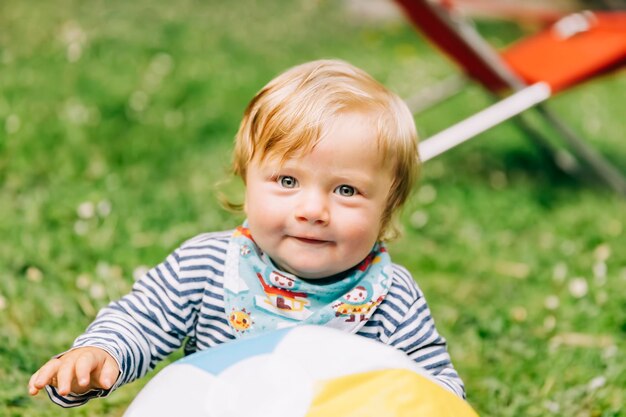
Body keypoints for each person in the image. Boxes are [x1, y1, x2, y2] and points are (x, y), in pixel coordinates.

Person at [28, 59, 466, 407]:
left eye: (346, 190)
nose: (313, 210)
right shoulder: (207, 266)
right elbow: (141, 320)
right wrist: (98, 356)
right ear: (246, 181)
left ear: (387, 207)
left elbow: (437, 389)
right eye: (288, 182)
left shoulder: (391, 297)